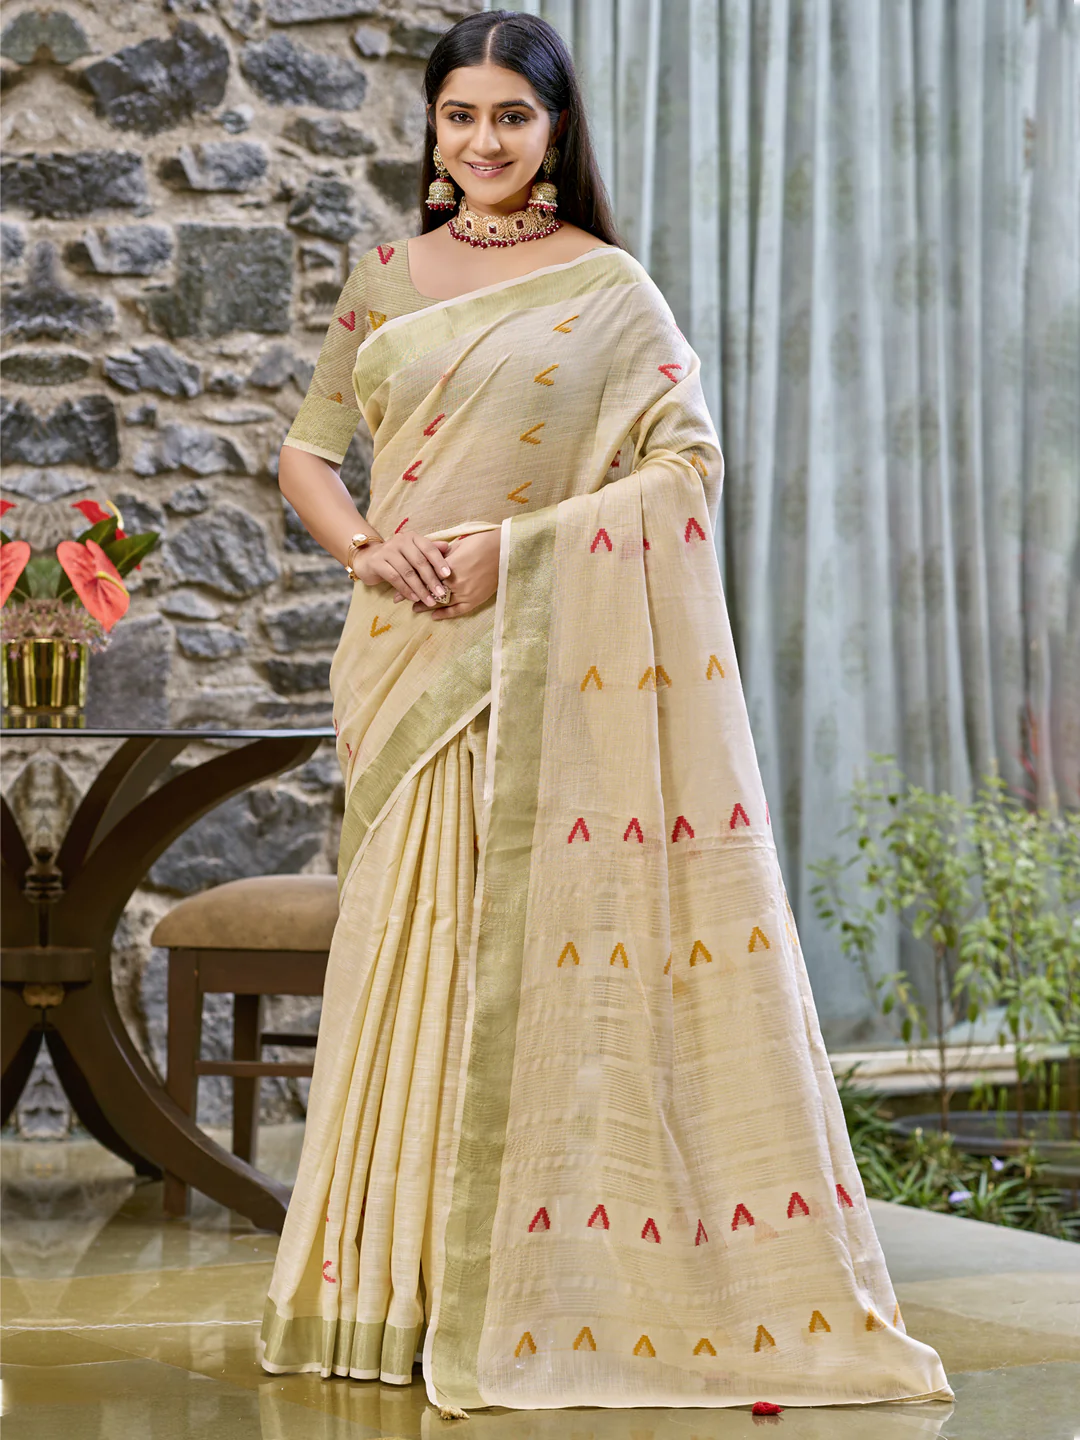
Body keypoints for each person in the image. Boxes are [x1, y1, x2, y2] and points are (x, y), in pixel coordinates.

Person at [259, 9, 954, 1419]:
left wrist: (517, 555)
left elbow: (685, 469)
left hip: (537, 656)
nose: (485, 141)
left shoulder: (613, 289)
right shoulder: (384, 277)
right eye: (461, 115)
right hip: (404, 660)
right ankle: (388, 1294)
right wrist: (367, 551)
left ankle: (542, 1283)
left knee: (531, 968)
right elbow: (308, 452)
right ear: (433, 128)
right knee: (411, 959)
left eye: (513, 116)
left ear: (556, 129)